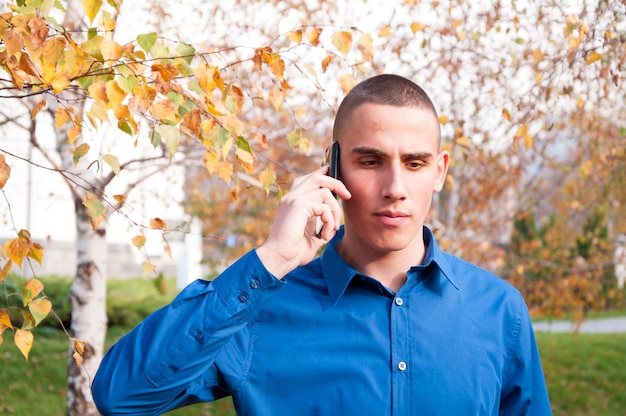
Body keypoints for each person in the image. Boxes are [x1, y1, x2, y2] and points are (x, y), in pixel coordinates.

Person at [91, 74, 552, 415]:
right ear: (332, 169)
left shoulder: (499, 311)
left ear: (440, 171)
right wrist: (272, 260)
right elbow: (121, 395)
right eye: (370, 161)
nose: (395, 187)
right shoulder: (258, 311)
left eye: (415, 163)